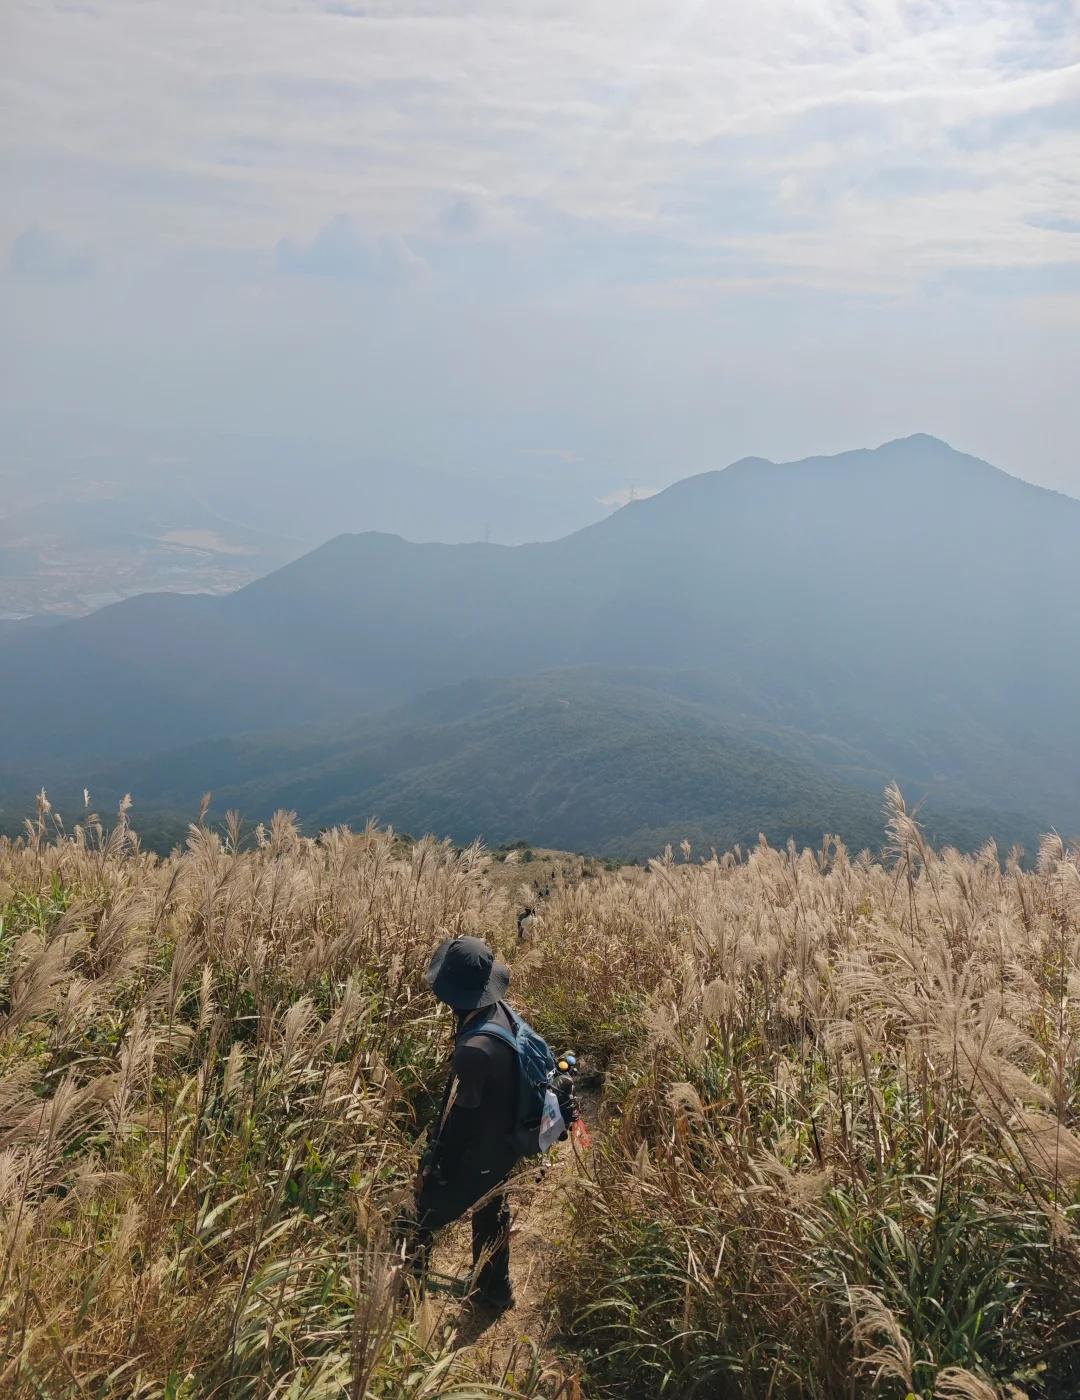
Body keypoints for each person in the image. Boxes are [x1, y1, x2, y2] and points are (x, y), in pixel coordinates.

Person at [414, 935, 519, 1313]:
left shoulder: (473, 1050)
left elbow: (462, 1121)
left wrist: (435, 1168)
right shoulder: (500, 1013)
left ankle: (406, 1293)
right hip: (507, 1137)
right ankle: (495, 1289)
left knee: (420, 1214)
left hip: (486, 1145)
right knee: (491, 1208)